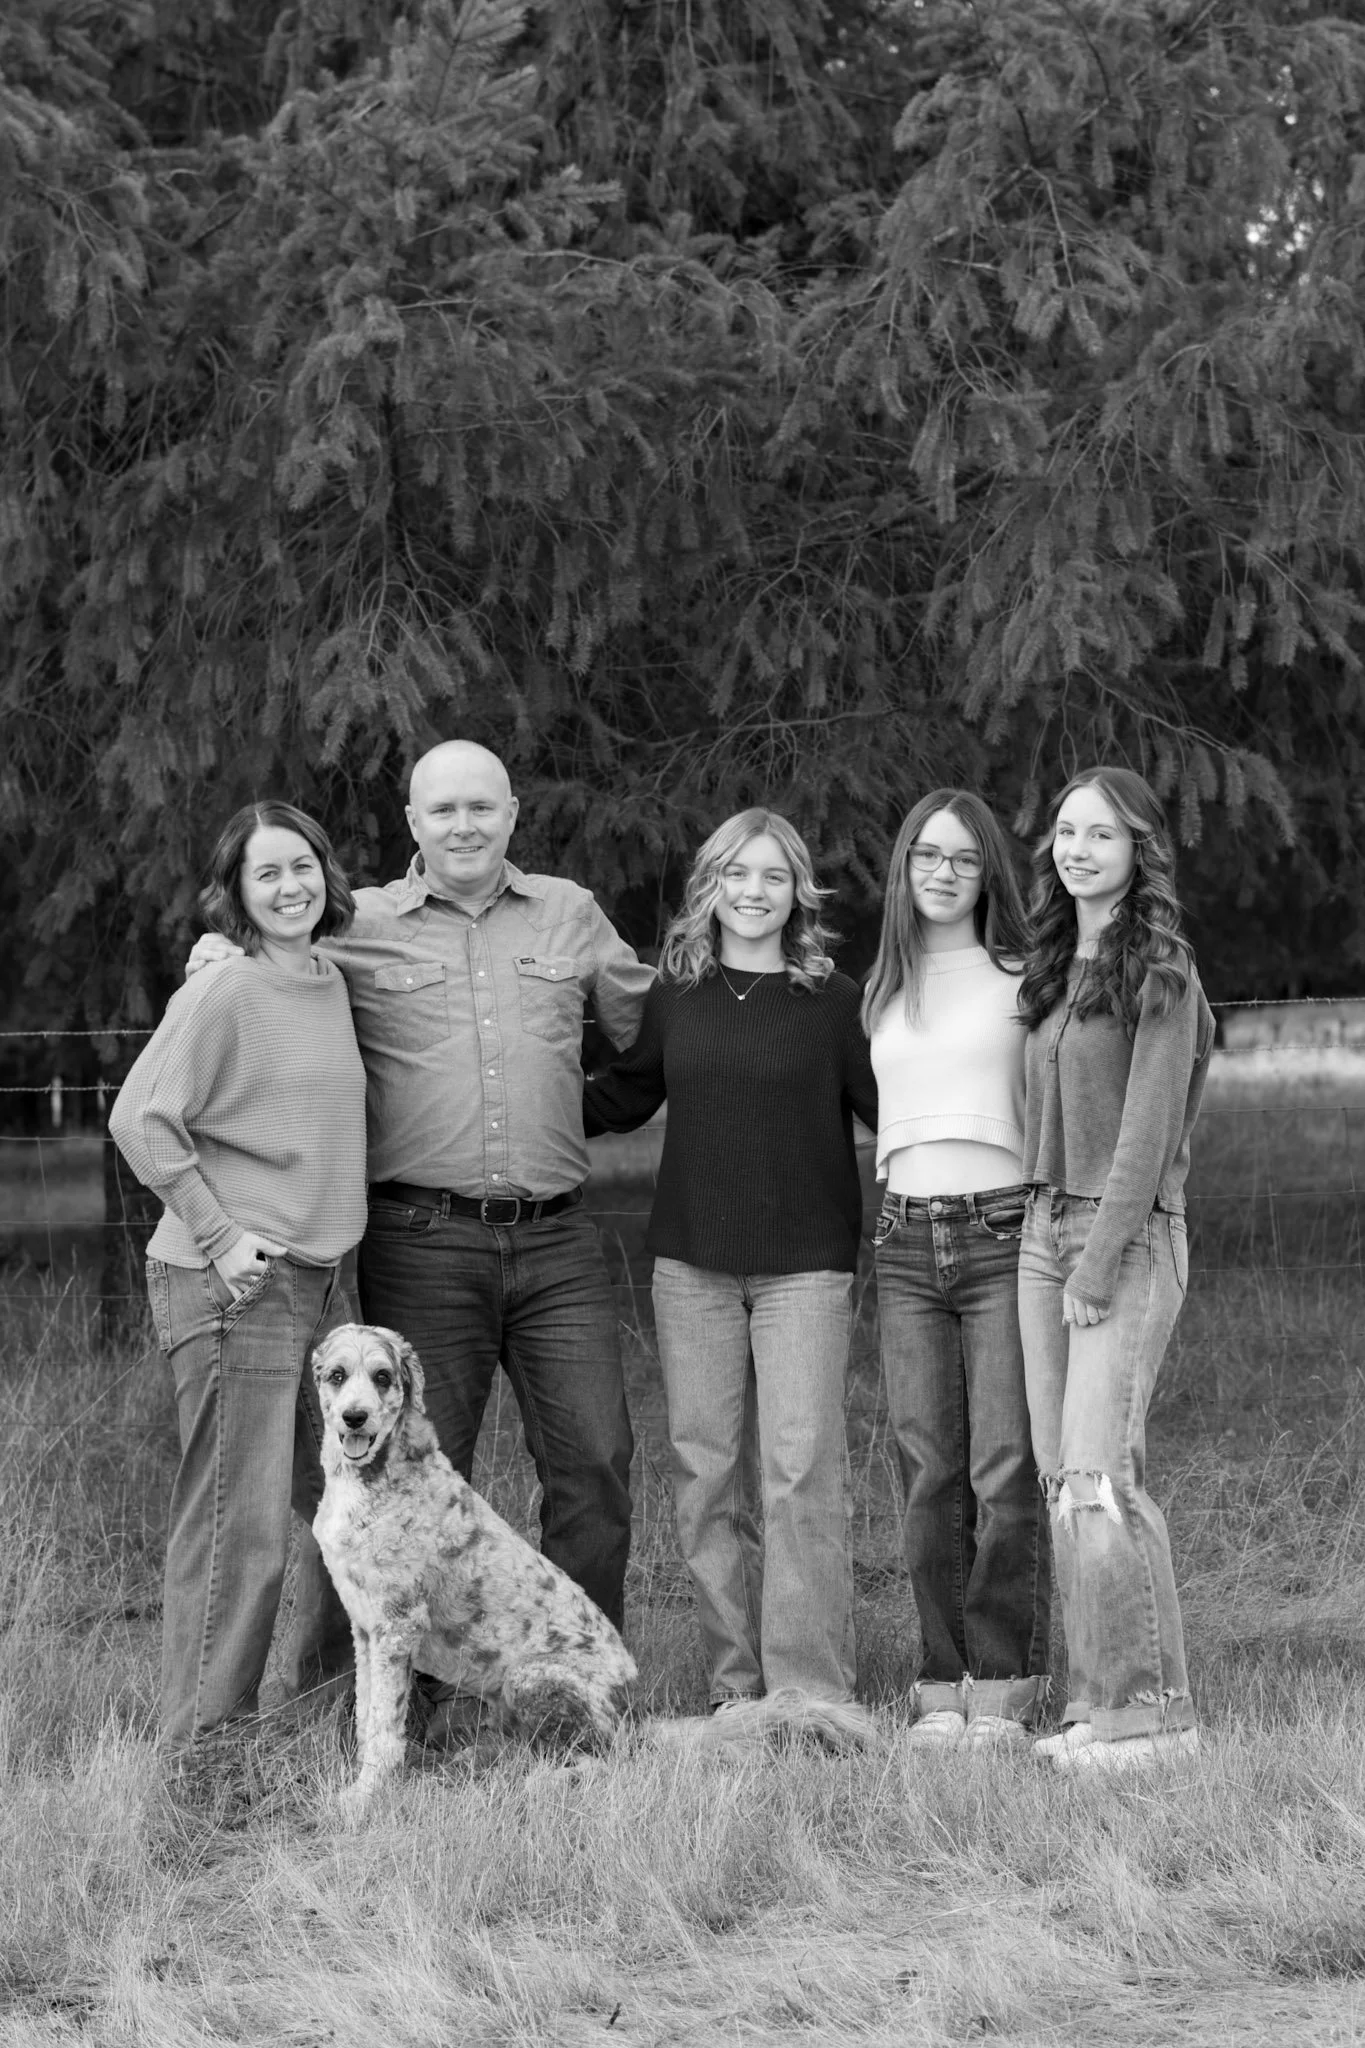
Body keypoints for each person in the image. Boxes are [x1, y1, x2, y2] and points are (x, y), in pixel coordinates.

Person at [188, 741, 652, 1655]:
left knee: (596, 1462)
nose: (464, 825)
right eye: (442, 810)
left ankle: (580, 1684)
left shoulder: (571, 913)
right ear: (412, 823)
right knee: (415, 1473)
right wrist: (219, 956)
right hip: (422, 1238)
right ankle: (425, 1699)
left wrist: (579, 1108)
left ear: (513, 812)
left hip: (558, 1243)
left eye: (481, 807)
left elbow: (657, 1032)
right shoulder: (357, 925)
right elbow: (275, 971)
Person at [582, 809, 877, 1712]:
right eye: (736, 875)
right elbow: (621, 1099)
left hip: (804, 1270)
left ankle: (808, 1690)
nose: (754, 893)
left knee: (799, 1474)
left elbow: (892, 1106)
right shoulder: (675, 995)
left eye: (774, 877)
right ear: (709, 885)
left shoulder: (832, 1002)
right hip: (693, 1271)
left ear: (799, 894)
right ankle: (733, 1688)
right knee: (705, 1476)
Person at [110, 802, 367, 1761]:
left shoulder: (329, 978)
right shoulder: (223, 990)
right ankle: (202, 1766)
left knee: (336, 1515)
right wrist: (221, 1238)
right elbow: (142, 1119)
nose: (291, 886)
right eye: (268, 874)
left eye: (303, 866)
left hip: (322, 1283)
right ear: (236, 891)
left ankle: (315, 1728)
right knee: (237, 1533)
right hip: (235, 1289)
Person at [1016, 765, 1214, 1773]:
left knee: (1101, 1474)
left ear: (1139, 849)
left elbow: (1144, 1134)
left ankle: (1143, 1716)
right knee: (1069, 1478)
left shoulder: (1163, 971)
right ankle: (1104, 1705)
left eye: (1101, 833)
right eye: (1064, 830)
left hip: (1119, 1237)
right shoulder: (1053, 965)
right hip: (1038, 1229)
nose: (1077, 848)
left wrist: (1094, 1264)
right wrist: (1044, 1242)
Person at [863, 790, 1050, 1748]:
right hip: (902, 1241)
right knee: (928, 1469)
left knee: (1003, 1464)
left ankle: (1008, 1676)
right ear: (902, 870)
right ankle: (941, 1676)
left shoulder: (1024, 979)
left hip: (1003, 1233)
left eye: (962, 860)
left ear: (988, 874)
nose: (941, 873)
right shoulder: (882, 987)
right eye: (925, 857)